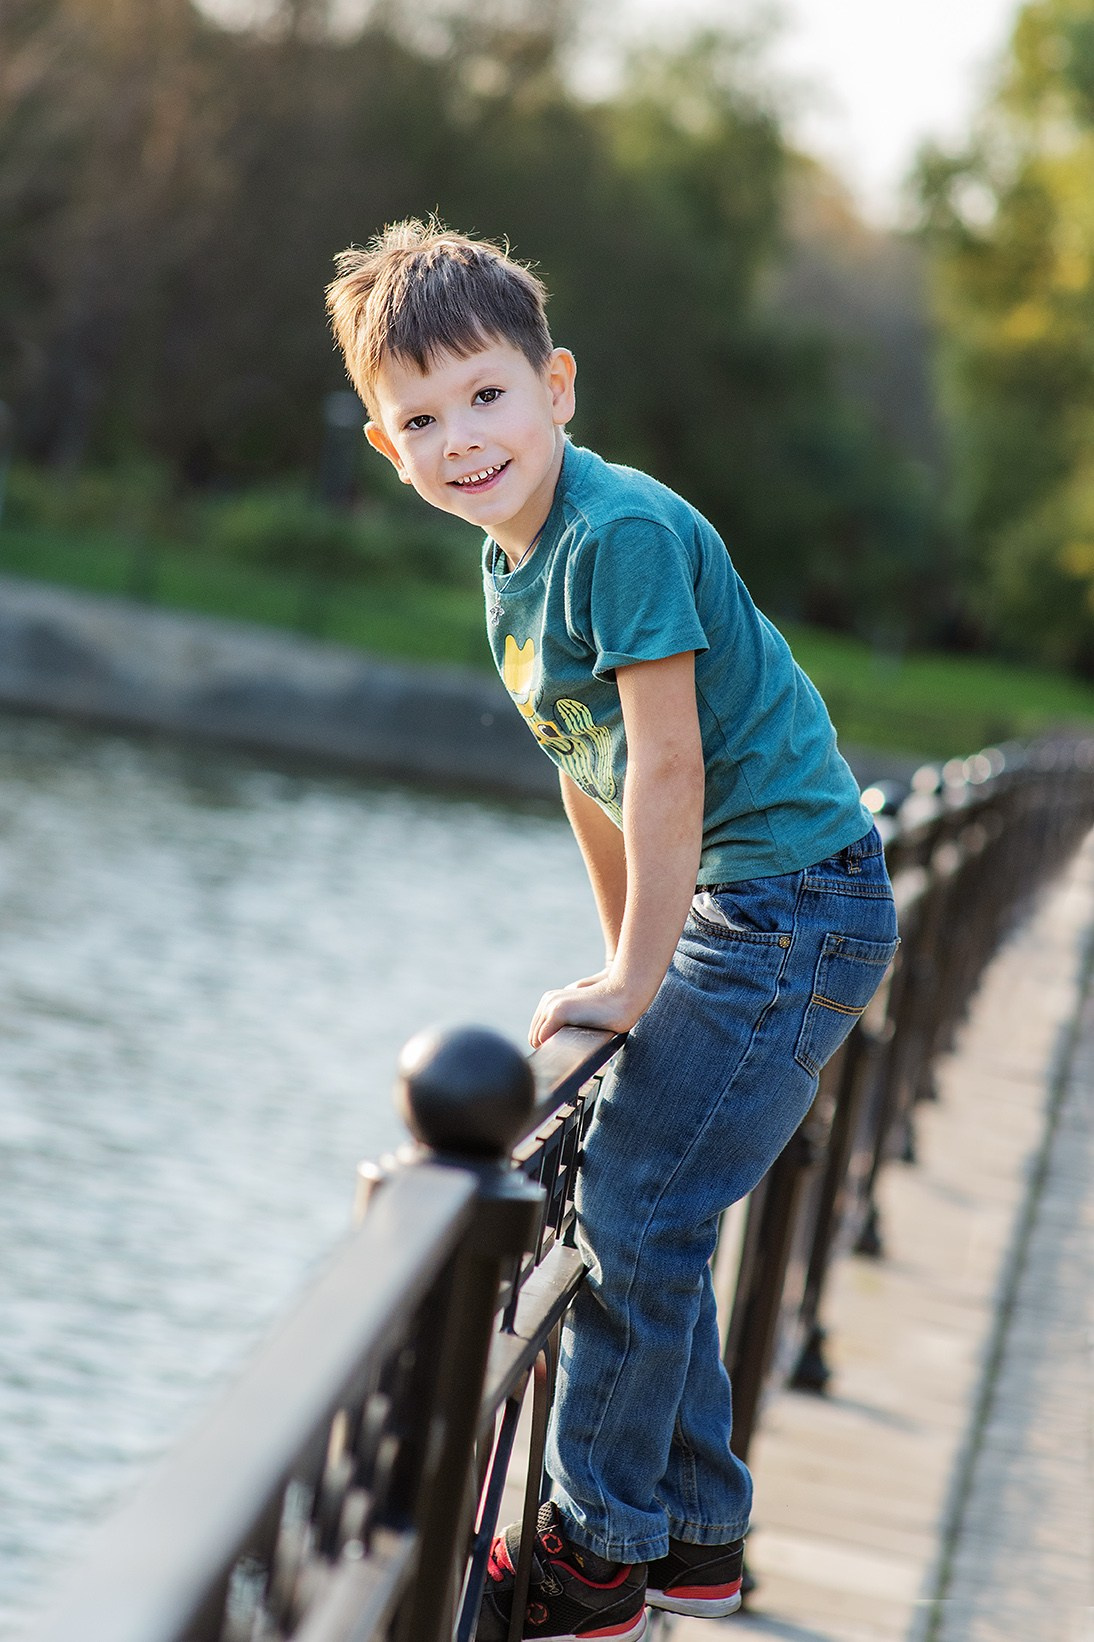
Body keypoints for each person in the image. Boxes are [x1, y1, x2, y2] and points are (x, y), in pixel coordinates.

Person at [326, 219, 899, 1642]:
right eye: (420, 419)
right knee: (655, 1205)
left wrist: (644, 976)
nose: (461, 437)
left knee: (635, 1207)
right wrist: (614, 964)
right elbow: (584, 770)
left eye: (485, 396)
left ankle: (595, 1551)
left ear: (556, 385)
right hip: (742, 907)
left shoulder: (617, 530)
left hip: (792, 905)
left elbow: (665, 765)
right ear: (383, 447)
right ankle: (695, 1535)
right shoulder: (512, 562)